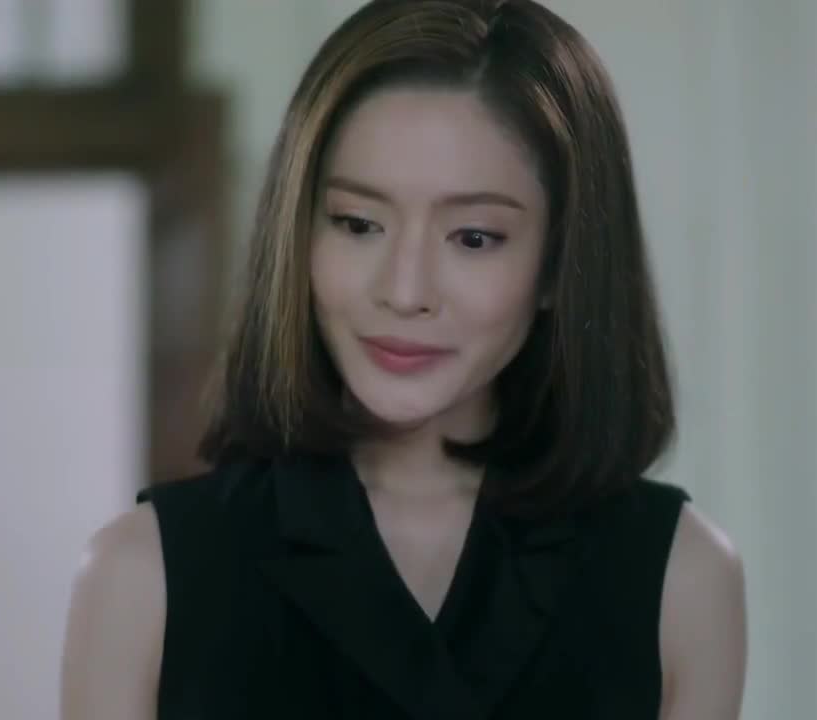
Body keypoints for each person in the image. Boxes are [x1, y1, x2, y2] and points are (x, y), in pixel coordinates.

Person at [60, 0, 747, 717]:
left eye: (474, 238)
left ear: (558, 265)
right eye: (358, 224)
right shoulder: (140, 575)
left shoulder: (681, 579)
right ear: (300, 234)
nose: (405, 290)